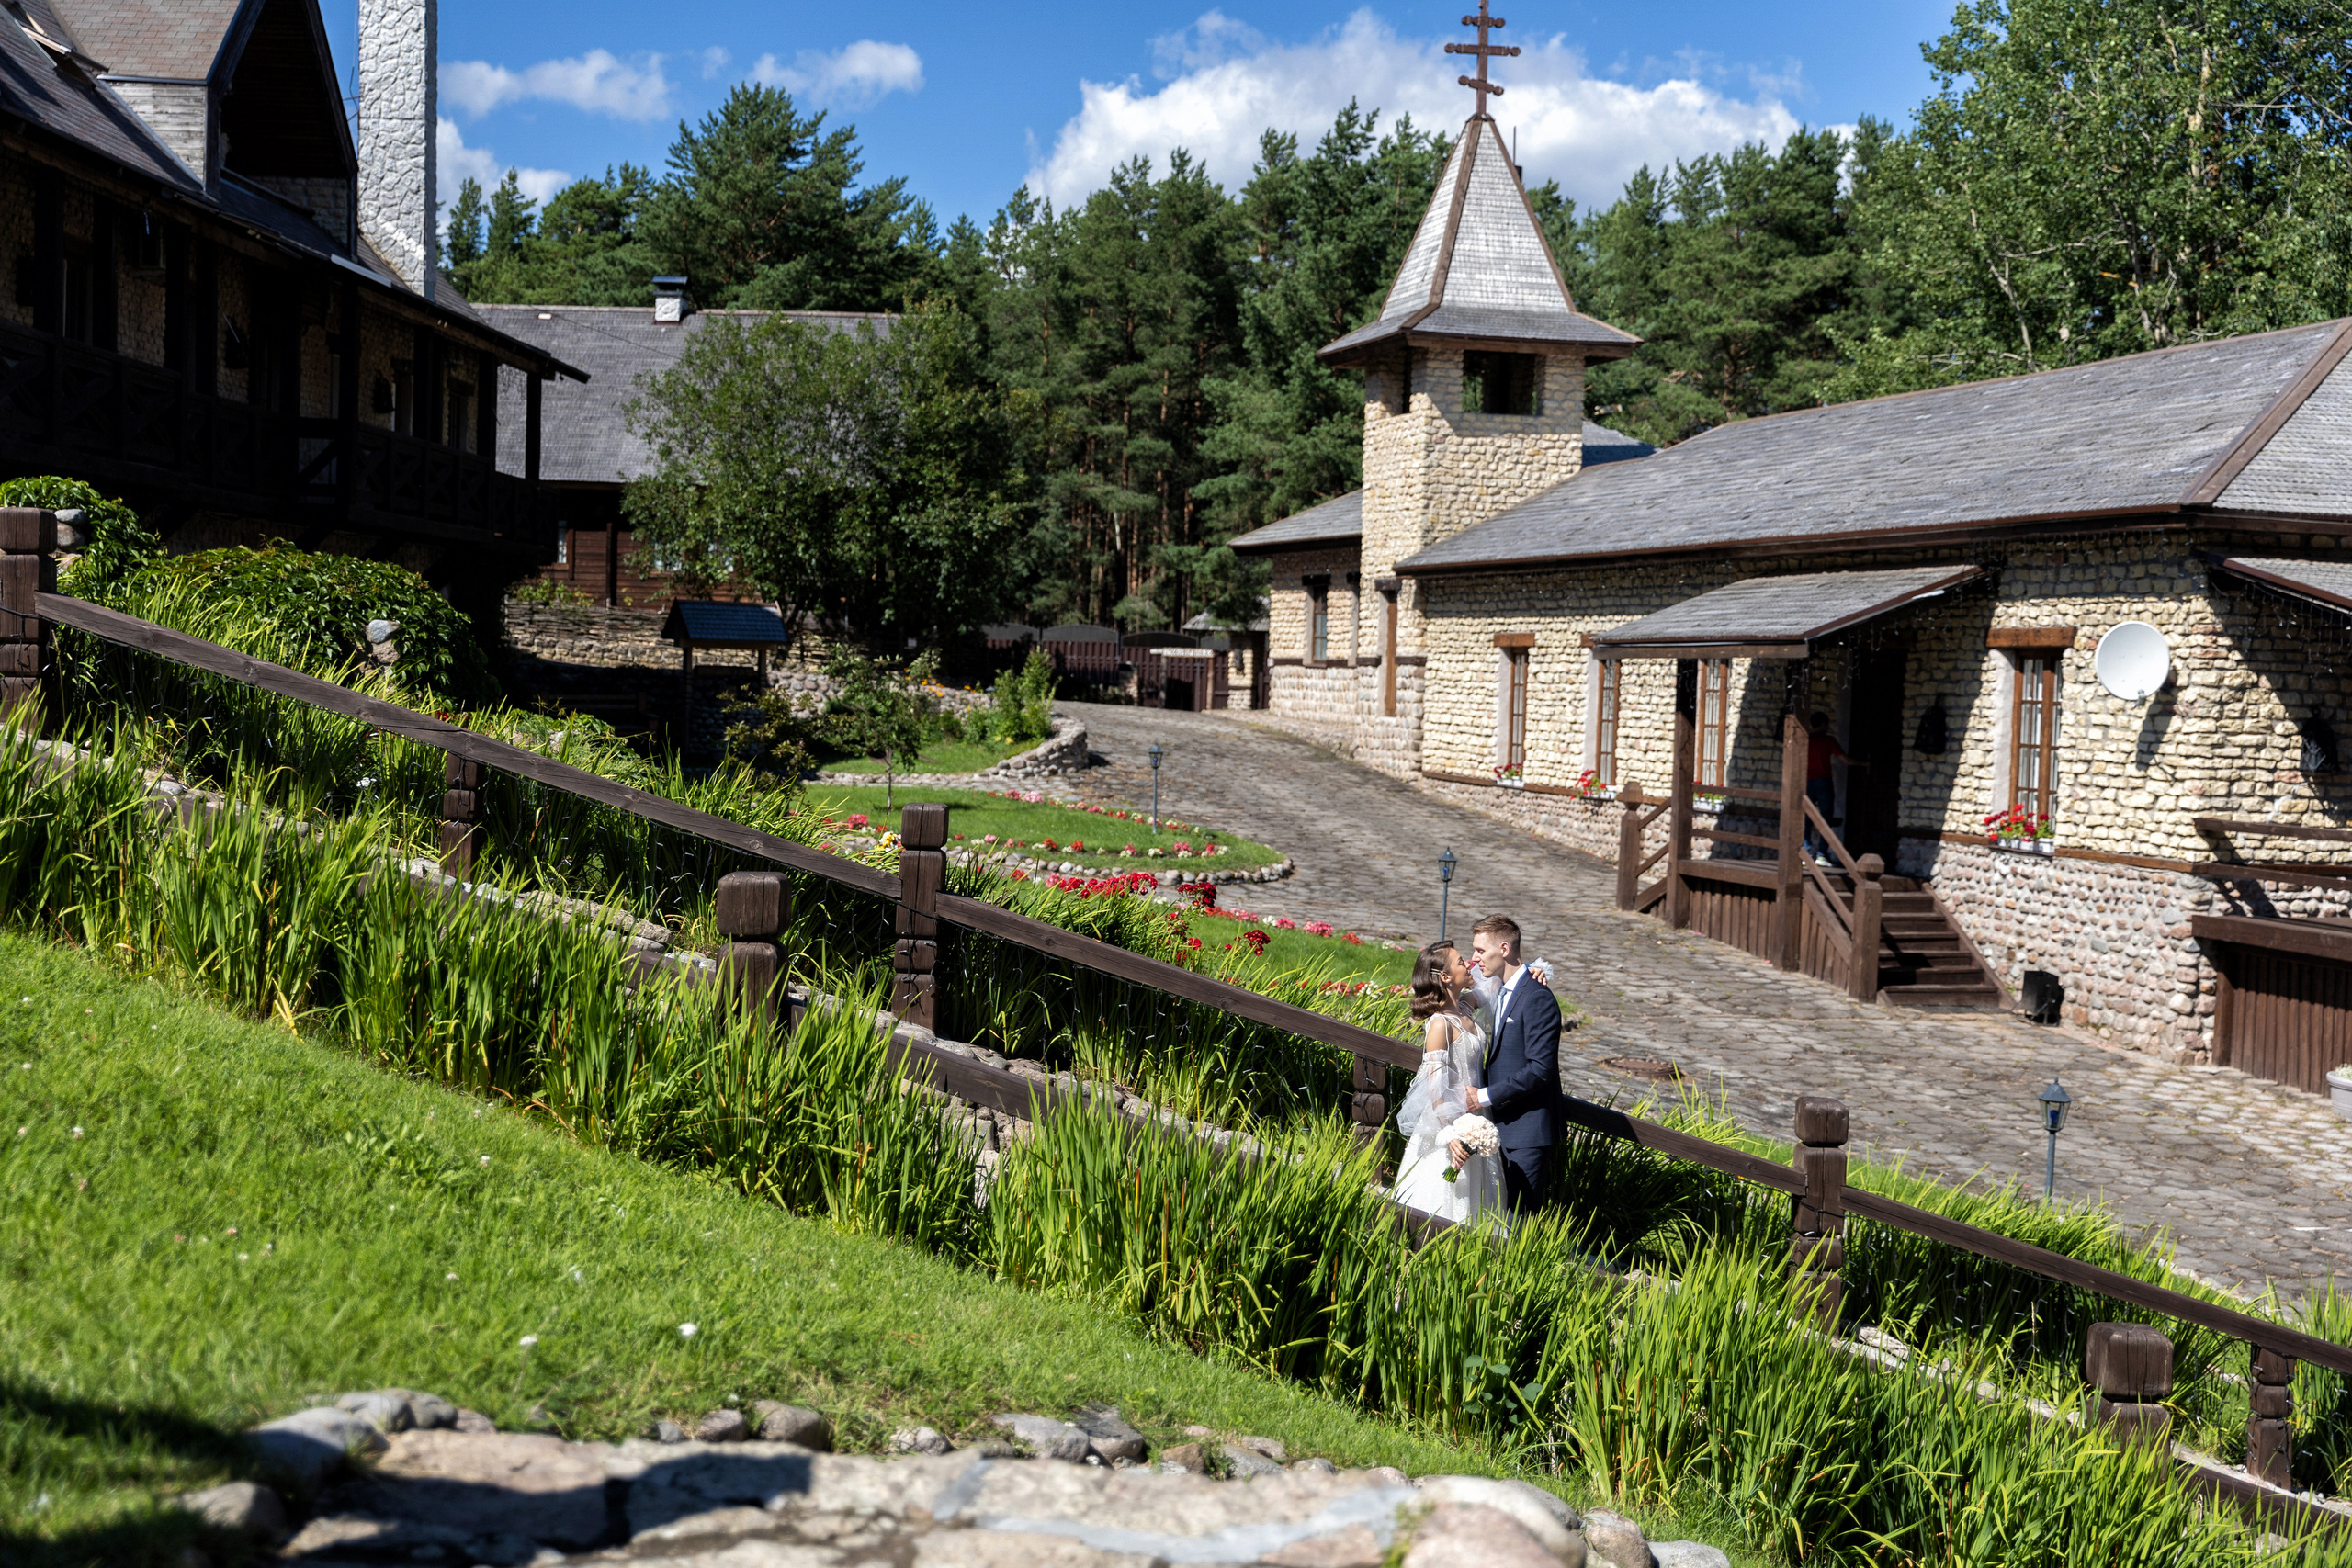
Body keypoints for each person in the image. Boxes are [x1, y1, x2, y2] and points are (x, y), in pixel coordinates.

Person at [1392, 940, 1507, 1230]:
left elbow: (1493, 985)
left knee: (1481, 1207)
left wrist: (1535, 972)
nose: (1468, 963)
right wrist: (1449, 1136)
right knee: (1447, 1207)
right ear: (1445, 978)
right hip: (1451, 1129)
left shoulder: (1465, 1006)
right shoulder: (1440, 1024)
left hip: (1477, 1120)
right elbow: (1435, 1088)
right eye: (1460, 962)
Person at [1452, 914, 1562, 1216]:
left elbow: (1541, 1069)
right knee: (1493, 1217)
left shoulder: (1537, 997)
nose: (1474, 958)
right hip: (1498, 1127)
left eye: (1480, 950)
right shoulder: (1499, 990)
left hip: (1526, 1133)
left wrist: (1482, 1096)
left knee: (1517, 1223)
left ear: (1503, 949)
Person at [1804, 711, 1846, 863]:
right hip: (1823, 781)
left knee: (1806, 818)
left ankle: (1806, 853)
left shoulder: (1805, 739)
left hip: (1807, 781)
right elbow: (1844, 759)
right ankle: (1822, 853)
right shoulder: (1828, 740)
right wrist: (1863, 763)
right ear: (1823, 725)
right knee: (1825, 818)